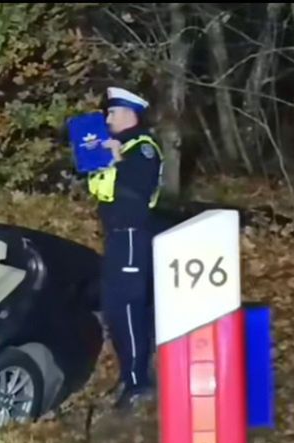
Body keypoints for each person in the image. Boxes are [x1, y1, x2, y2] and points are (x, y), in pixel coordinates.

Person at [88, 86, 163, 411]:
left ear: (130, 113)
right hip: (116, 237)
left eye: (112, 112)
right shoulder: (121, 145)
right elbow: (101, 191)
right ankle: (127, 374)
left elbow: (134, 192)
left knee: (129, 309)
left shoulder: (143, 148)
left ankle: (138, 382)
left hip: (133, 236)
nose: (107, 118)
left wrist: (115, 162)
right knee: (115, 309)